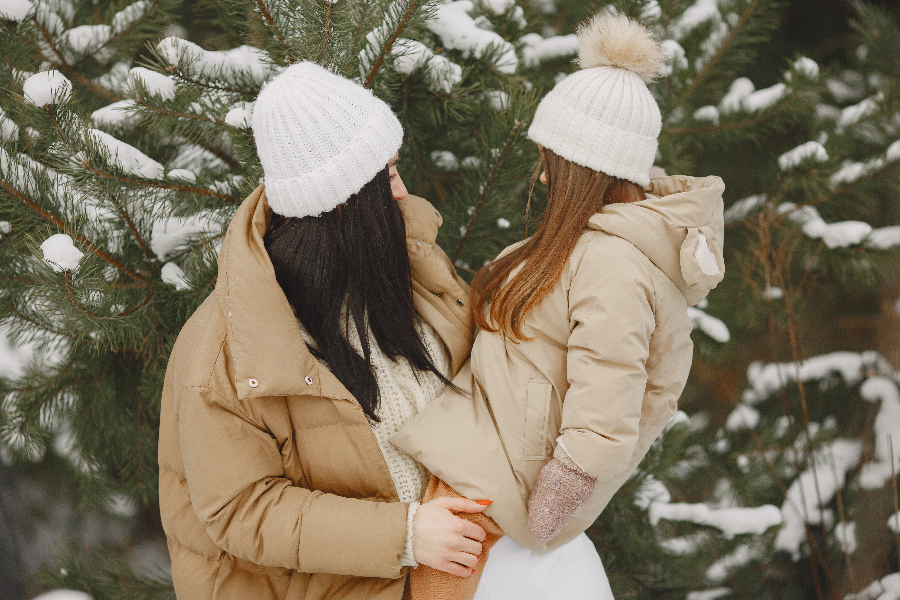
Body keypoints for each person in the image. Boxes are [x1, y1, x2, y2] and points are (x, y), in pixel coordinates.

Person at [392, 12, 726, 600]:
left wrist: (553, 501)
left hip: (492, 492)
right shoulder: (582, 249)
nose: (542, 176)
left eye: (552, 161)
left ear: (583, 169)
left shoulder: (614, 265)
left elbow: (609, 400)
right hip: (480, 471)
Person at [158, 62, 491, 600]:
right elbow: (242, 509)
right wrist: (404, 534)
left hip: (448, 576)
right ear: (344, 202)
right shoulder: (223, 349)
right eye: (387, 177)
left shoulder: (408, 266)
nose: (403, 192)